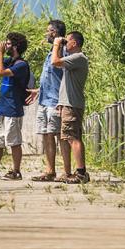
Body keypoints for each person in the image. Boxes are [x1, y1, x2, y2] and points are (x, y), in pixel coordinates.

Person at [0, 32, 30, 180]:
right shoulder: (9, 60)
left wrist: (2, 53)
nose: (5, 45)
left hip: (13, 108)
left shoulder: (21, 65)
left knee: (13, 141)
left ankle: (16, 171)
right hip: (2, 107)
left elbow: (0, 72)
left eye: (8, 44)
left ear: (15, 46)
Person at [27, 19, 67, 182]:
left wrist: (63, 100)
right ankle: (50, 171)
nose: (46, 34)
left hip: (55, 101)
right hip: (44, 100)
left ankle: (67, 171)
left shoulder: (63, 51)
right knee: (46, 134)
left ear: (55, 33)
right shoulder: (51, 52)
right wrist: (38, 91)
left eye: (48, 30)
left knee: (59, 135)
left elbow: (64, 75)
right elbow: (51, 77)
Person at [52, 31, 89, 183]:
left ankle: (81, 173)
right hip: (69, 104)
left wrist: (56, 44)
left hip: (72, 104)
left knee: (73, 138)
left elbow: (54, 62)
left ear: (74, 43)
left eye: (67, 41)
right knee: (71, 137)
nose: (65, 44)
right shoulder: (73, 59)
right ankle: (79, 172)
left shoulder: (79, 57)